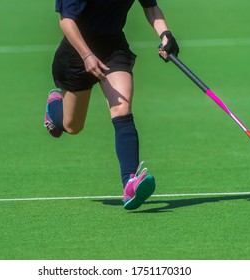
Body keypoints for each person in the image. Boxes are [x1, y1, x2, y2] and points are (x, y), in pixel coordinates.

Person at [45, 0, 179, 210]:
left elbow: (151, 7)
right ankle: (54, 108)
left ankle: (130, 183)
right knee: (72, 126)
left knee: (122, 109)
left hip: (113, 49)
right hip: (76, 52)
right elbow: (66, 21)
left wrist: (165, 36)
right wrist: (87, 55)